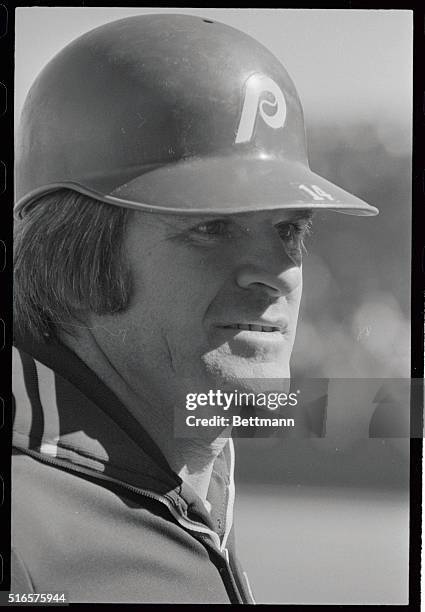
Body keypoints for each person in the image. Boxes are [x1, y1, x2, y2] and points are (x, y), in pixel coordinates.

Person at [11, 13, 378, 604]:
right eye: (211, 227)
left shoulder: (197, 447)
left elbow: (380, 411)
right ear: (73, 258)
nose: (277, 274)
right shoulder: (25, 533)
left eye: (288, 229)